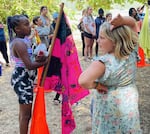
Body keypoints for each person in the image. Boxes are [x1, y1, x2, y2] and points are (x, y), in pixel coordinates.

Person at [78, 14, 142, 133]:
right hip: (128, 103)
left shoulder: (103, 62)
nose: (98, 41)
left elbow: (83, 81)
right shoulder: (132, 51)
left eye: (102, 38)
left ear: (114, 41)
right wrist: (123, 20)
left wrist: (98, 86)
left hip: (108, 108)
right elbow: (133, 24)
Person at [8, 15, 48, 134]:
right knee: (26, 115)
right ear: (17, 29)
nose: (29, 26)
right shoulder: (19, 44)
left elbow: (31, 58)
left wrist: (40, 57)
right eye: (25, 24)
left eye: (28, 23)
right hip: (22, 80)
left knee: (24, 114)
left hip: (25, 79)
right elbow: (29, 65)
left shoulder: (24, 40)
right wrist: (46, 61)